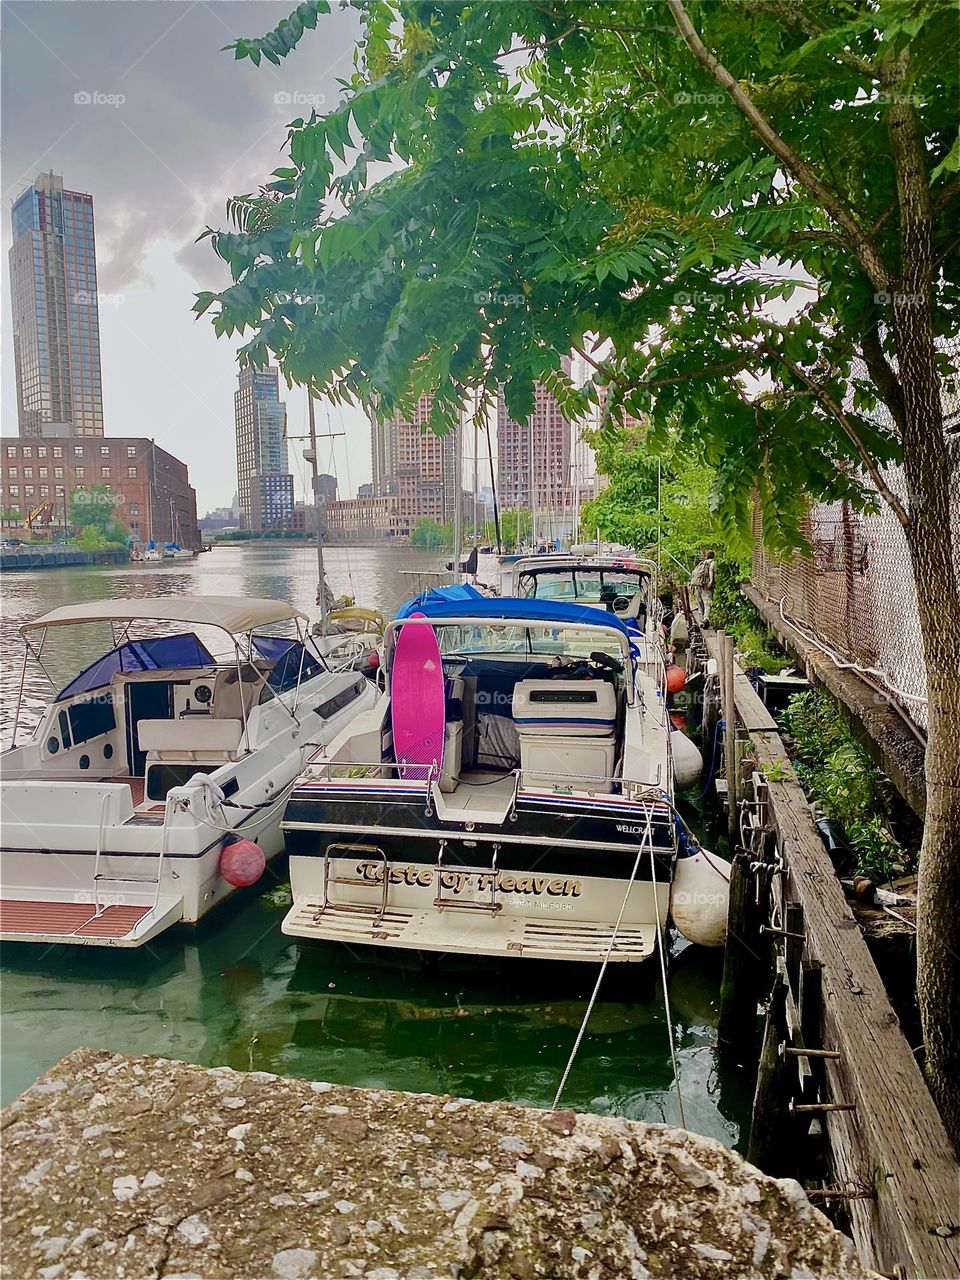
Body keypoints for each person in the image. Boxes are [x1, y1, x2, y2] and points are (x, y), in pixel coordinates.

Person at [689, 550, 717, 626]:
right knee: (707, 602)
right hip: (706, 585)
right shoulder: (712, 562)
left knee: (700, 603)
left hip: (697, 585)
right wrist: (711, 581)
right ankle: (706, 618)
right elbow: (711, 570)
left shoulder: (702, 563)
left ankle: (701, 621)